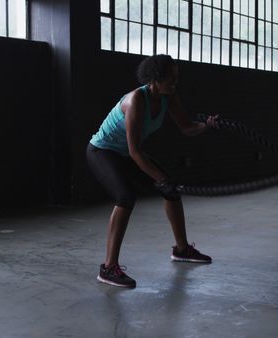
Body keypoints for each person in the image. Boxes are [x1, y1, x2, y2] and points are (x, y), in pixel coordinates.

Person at [85, 54, 219, 288]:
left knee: (172, 189)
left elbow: (187, 128)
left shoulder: (168, 95)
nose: (175, 81)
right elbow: (136, 151)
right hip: (102, 151)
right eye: (171, 77)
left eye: (176, 77)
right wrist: (161, 179)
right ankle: (108, 268)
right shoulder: (136, 100)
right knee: (125, 197)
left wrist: (206, 126)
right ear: (155, 78)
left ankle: (182, 249)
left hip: (125, 153)